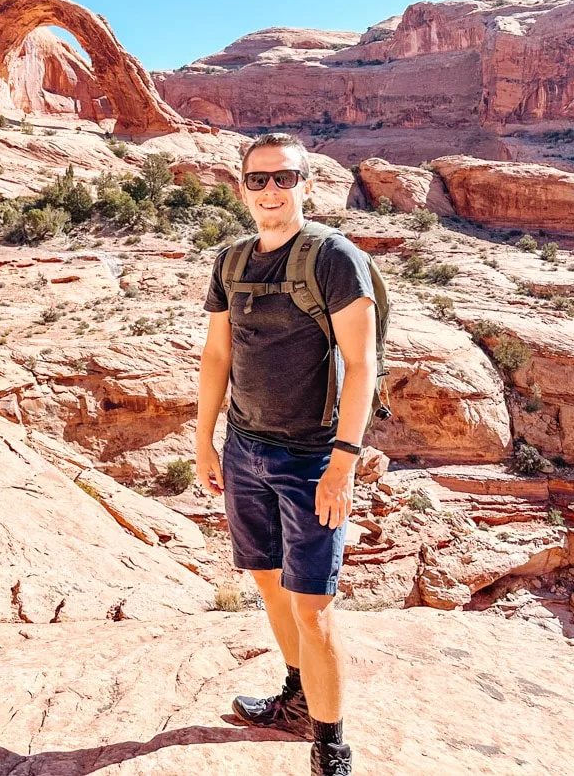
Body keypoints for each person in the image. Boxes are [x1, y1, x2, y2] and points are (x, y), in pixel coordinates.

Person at [196, 133, 378, 776]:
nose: (271, 190)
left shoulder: (334, 259)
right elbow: (218, 356)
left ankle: (330, 745)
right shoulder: (231, 261)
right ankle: (298, 698)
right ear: (241, 187)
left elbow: (362, 367)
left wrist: (342, 463)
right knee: (270, 585)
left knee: (313, 604)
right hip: (245, 449)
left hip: (310, 460)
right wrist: (204, 441)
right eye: (258, 180)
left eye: (284, 178)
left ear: (306, 183)